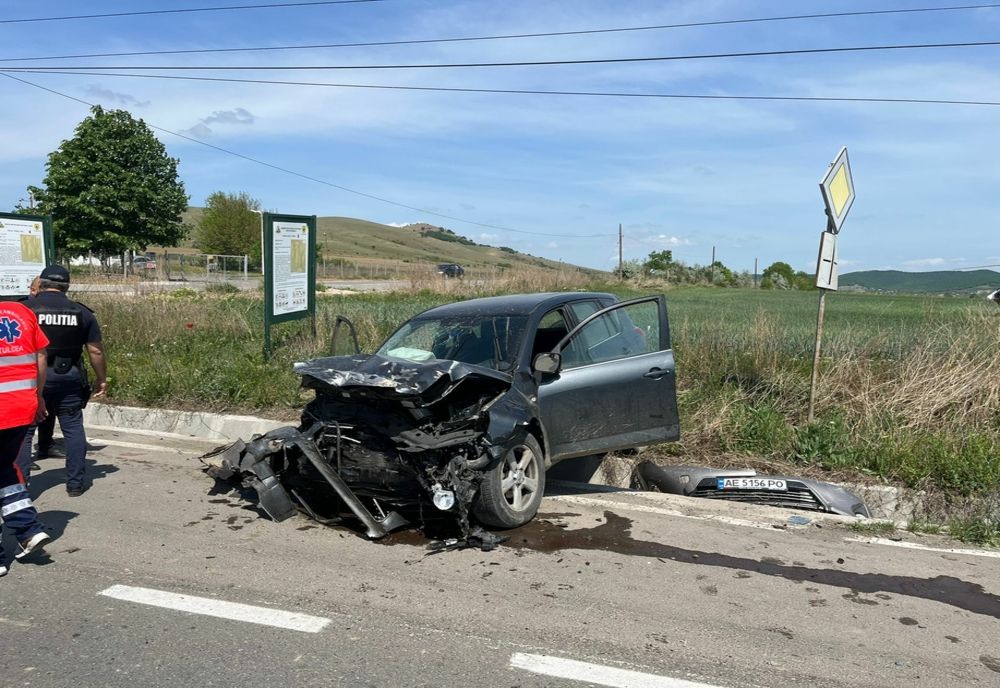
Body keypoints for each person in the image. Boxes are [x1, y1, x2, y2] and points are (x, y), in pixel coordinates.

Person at [15, 265, 107, 496]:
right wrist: (101, 379)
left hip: (31, 378)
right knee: (73, 427)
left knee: (25, 432)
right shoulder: (82, 312)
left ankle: (21, 486)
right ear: (67, 286)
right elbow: (95, 351)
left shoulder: (23, 309)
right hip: (69, 377)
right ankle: (75, 484)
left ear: (41, 283)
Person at [0, 299, 52, 576]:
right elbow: (41, 356)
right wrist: (37, 396)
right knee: (5, 469)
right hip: (20, 405)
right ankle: (28, 529)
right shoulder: (22, 313)